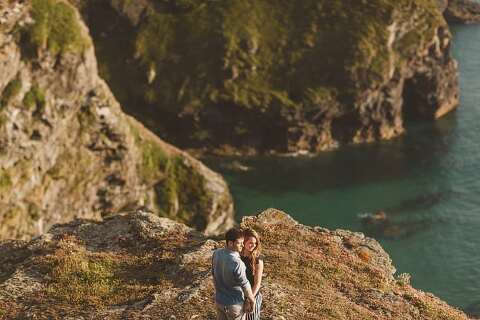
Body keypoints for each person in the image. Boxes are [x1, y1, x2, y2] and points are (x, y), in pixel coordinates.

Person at [212, 228, 256, 320]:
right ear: (230, 243)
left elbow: (214, 275)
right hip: (234, 305)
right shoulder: (237, 263)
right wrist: (252, 300)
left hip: (219, 302)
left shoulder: (216, 253)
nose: (242, 245)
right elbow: (245, 284)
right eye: (239, 243)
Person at [240, 228, 264, 320]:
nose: (253, 245)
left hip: (252, 295)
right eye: (250, 242)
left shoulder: (258, 259)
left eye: (255, 243)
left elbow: (257, 283)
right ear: (244, 242)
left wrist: (249, 299)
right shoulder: (237, 256)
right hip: (238, 295)